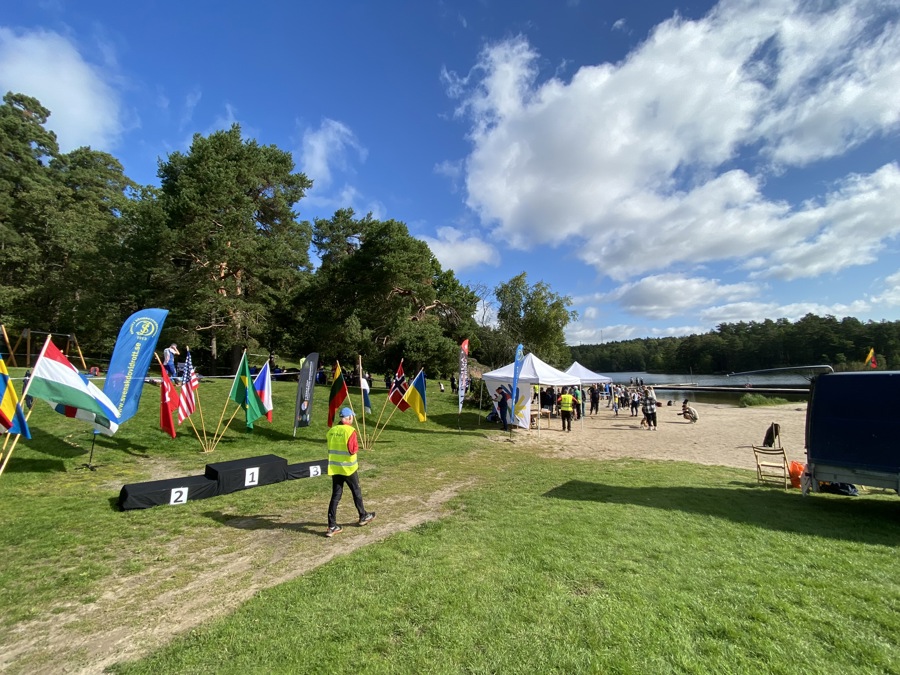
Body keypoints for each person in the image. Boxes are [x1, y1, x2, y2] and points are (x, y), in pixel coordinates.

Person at [326, 407, 375, 537]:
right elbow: (353, 449)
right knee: (356, 491)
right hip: (348, 468)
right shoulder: (350, 431)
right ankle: (363, 515)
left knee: (336, 495)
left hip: (335, 468)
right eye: (352, 417)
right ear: (349, 418)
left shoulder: (332, 431)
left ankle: (332, 525)